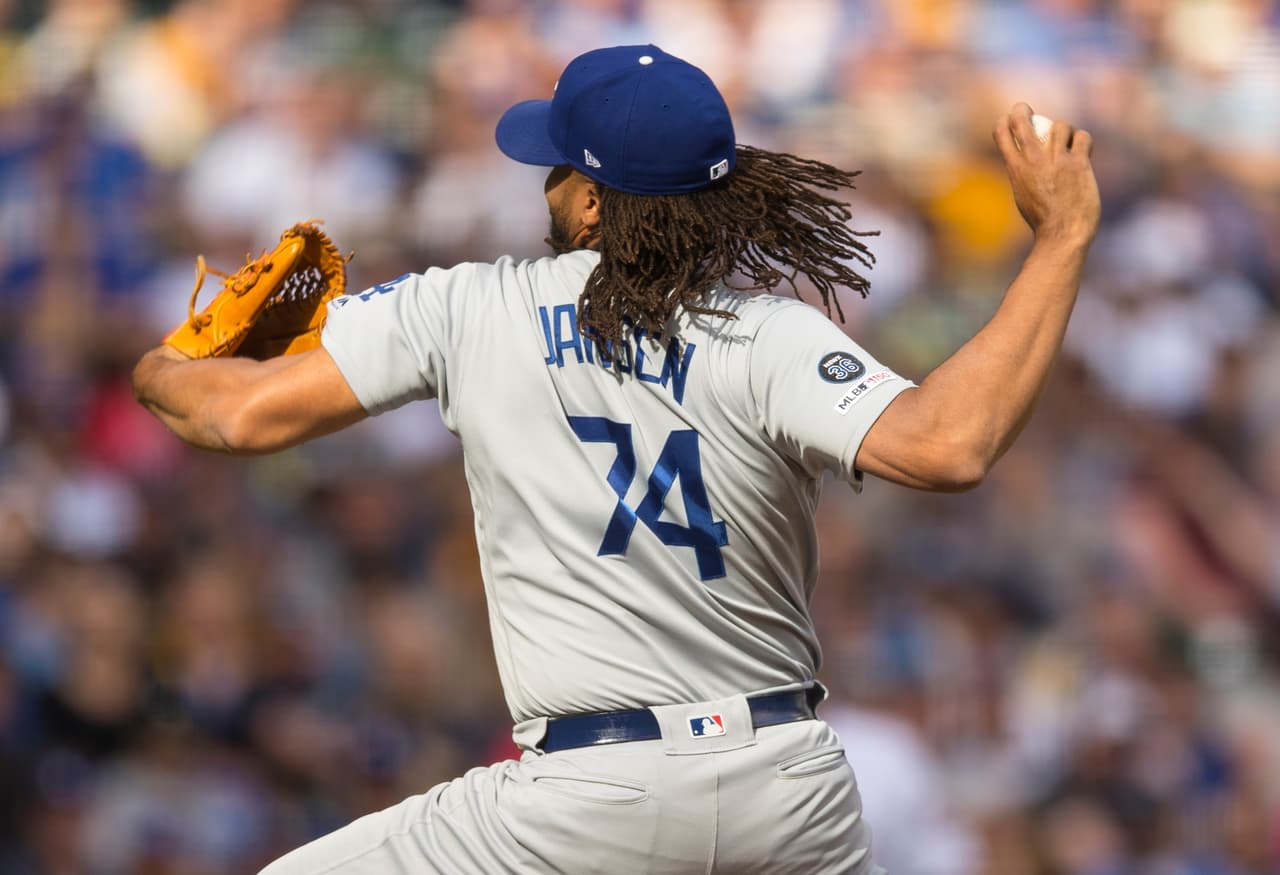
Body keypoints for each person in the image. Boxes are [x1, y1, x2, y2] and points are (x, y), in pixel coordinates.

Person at [132, 44, 1099, 875]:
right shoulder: (766, 335)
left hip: (590, 800)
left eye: (555, 167)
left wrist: (169, 361)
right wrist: (1060, 238)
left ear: (591, 202)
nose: (544, 183)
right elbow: (950, 444)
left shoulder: (474, 308)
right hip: (787, 790)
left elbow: (239, 420)